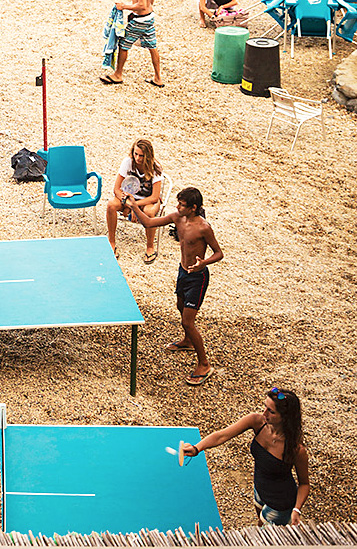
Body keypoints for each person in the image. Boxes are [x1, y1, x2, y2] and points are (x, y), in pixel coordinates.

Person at [126, 186, 223, 385]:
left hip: (198, 277)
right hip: (182, 272)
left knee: (187, 321)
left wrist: (204, 263)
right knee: (180, 307)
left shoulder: (204, 227)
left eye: (182, 205)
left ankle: (204, 364)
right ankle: (188, 341)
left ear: (194, 208)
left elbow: (218, 253)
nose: (178, 207)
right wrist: (134, 206)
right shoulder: (178, 218)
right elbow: (148, 223)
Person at [183, 386, 310, 525]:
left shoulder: (295, 449)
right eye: (265, 407)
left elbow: (304, 484)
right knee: (260, 520)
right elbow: (222, 435)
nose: (264, 413)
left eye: (271, 411)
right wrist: (197, 448)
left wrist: (296, 510)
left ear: (285, 417)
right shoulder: (257, 421)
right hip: (259, 489)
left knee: (264, 534)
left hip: (280, 502)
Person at [100, 0, 163, 87]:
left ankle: (118, 75)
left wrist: (124, 6)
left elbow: (142, 5)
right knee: (152, 46)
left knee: (123, 44)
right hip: (149, 17)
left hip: (140, 19)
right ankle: (158, 78)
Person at [105, 138, 163, 263]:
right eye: (135, 154)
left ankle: (150, 246)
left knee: (150, 212)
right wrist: (128, 204)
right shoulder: (128, 162)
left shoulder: (155, 167)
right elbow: (116, 189)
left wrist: (134, 207)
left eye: (141, 155)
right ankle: (111, 241)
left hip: (147, 200)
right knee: (111, 205)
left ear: (148, 156)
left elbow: (154, 196)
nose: (138, 158)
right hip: (128, 198)